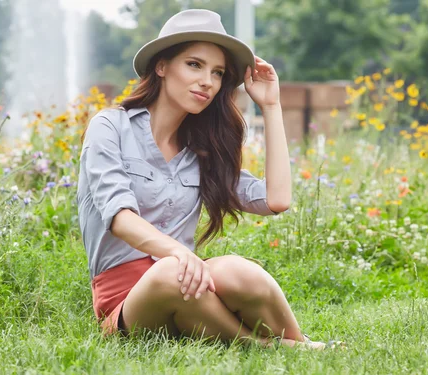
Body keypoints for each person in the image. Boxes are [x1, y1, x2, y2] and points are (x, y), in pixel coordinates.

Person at [77, 9, 337, 350]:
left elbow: (277, 200)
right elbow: (120, 219)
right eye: (194, 65)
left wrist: (272, 107)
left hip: (187, 283)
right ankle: (270, 348)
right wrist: (177, 253)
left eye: (217, 73)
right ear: (162, 66)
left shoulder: (202, 150)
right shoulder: (110, 126)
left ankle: (300, 343)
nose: (208, 82)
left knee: (240, 272)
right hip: (130, 303)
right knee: (171, 272)